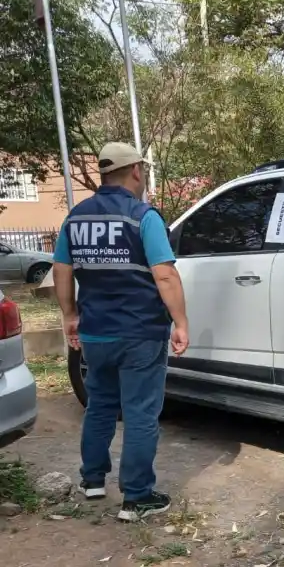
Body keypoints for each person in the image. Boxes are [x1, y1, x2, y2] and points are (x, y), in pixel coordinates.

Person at [52, 142, 190, 522]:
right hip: (140, 333)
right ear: (135, 172)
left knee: (100, 407)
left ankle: (93, 480)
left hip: (96, 335)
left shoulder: (75, 218)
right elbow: (164, 273)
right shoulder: (143, 217)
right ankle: (137, 496)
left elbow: (62, 269)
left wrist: (70, 314)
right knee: (141, 413)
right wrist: (180, 322)